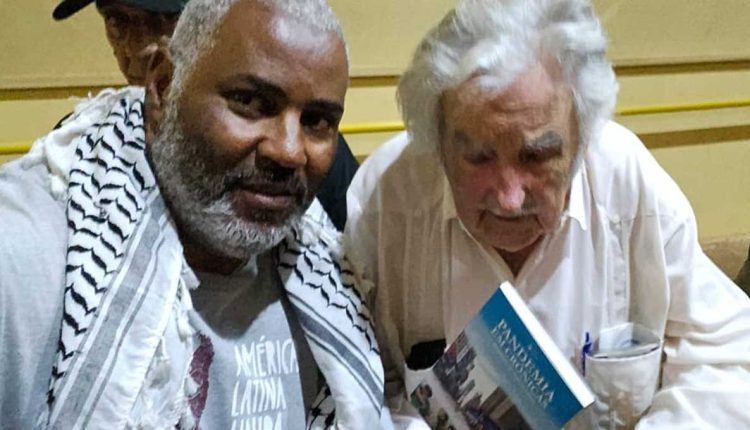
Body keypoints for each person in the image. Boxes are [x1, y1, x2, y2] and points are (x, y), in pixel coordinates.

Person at [344, 0, 750, 428]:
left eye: (536, 156)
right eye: (478, 157)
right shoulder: (387, 198)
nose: (509, 199)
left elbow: (730, 359)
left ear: (582, 140)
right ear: (438, 143)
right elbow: (347, 386)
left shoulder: (627, 183)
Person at [1, 0, 392, 428]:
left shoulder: (327, 266)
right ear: (163, 88)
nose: (288, 151)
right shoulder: (33, 253)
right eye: (249, 101)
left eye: (317, 120)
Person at [52, 0, 358, 230]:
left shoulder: (307, 154)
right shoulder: (74, 146)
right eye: (117, 22)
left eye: (165, 20)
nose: (138, 47)